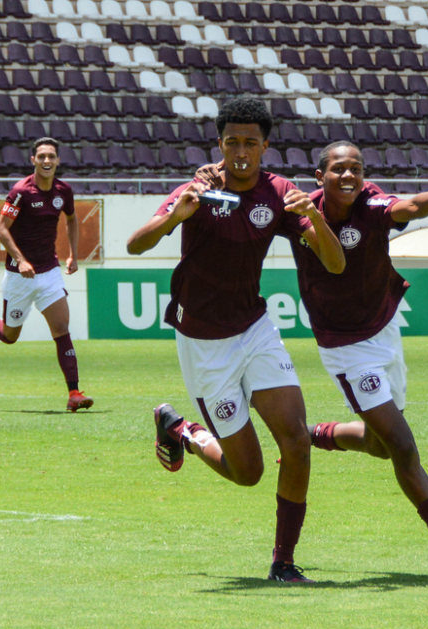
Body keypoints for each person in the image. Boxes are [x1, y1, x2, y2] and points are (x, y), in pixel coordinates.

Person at [126, 97, 345, 583]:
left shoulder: (282, 193)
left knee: (296, 439)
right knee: (248, 472)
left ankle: (283, 563)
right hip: (203, 343)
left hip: (255, 329)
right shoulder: (199, 189)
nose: (241, 151)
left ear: (266, 146)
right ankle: (182, 429)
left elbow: (335, 263)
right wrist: (176, 216)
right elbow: (135, 243)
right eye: (231, 142)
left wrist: (314, 216)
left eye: (250, 142)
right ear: (219, 144)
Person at [293, 141, 428, 581]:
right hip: (346, 348)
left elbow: (409, 206)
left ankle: (310, 435)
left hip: (385, 329)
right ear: (319, 175)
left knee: (382, 445)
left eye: (356, 169)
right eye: (339, 168)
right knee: (402, 446)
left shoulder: (371, 201)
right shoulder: (301, 213)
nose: (348, 176)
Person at [0, 137, 94, 412]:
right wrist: (20, 260)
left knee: (62, 330)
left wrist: (73, 255)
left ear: (58, 161)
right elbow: (1, 229)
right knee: (10, 336)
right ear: (32, 160)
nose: (47, 161)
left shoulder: (63, 191)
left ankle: (74, 393)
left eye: (52, 156)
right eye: (42, 156)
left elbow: (71, 219)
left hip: (49, 273)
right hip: (19, 277)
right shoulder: (21, 191)